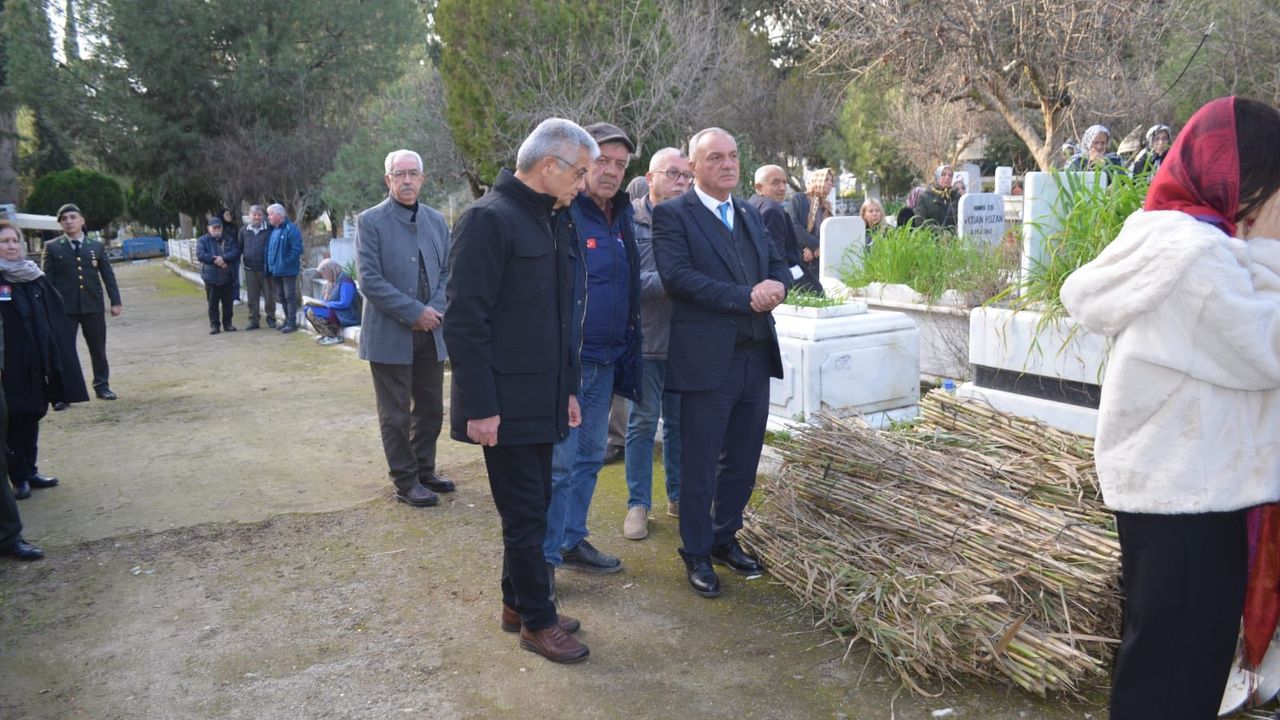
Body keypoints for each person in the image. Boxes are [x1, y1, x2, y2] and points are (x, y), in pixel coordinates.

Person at [1060, 96, 1280, 720]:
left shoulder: (1184, 240)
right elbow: (1268, 349)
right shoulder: (1196, 258)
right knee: (1175, 681)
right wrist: (1269, 246)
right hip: (1189, 499)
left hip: (1182, 493)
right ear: (1246, 178)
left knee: (1166, 664)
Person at [444, 117, 594, 663]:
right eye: (579, 172)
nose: (583, 184)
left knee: (537, 504)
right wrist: (481, 407)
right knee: (526, 513)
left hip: (544, 396)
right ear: (549, 166)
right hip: (503, 403)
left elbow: (561, 319)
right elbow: (465, 322)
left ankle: (517, 604)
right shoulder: (488, 219)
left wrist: (568, 391)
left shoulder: (553, 219)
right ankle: (537, 621)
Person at [653, 127, 791, 598]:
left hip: (755, 355)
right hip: (707, 360)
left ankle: (723, 537)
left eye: (733, 155)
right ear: (693, 166)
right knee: (699, 463)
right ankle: (695, 551)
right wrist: (745, 297)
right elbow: (677, 277)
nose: (728, 164)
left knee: (744, 459)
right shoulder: (674, 215)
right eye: (715, 158)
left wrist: (778, 286)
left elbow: (777, 262)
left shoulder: (749, 213)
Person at [543, 121, 641, 575]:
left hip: (607, 359)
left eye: (621, 164)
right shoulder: (563, 212)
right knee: (559, 464)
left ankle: (570, 539)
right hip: (570, 362)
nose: (613, 171)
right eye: (604, 161)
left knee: (589, 458)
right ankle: (544, 560)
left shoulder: (620, 216)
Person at [356, 149, 453, 508]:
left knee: (431, 409)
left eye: (413, 173)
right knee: (395, 414)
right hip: (390, 334)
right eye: (400, 174)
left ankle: (425, 470)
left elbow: (448, 272)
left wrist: (434, 310)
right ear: (388, 180)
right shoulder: (370, 221)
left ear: (423, 179)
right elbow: (369, 280)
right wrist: (414, 312)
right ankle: (405, 481)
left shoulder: (437, 221)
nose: (407, 180)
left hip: (432, 331)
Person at [622, 147, 690, 541]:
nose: (681, 182)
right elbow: (625, 278)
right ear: (650, 178)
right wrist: (672, 281)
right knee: (643, 424)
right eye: (672, 174)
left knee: (680, 425)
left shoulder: (693, 218)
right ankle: (638, 504)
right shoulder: (629, 220)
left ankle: (677, 496)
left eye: (686, 175)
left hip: (685, 341)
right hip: (646, 339)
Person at [0, 220, 89, 501]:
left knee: (34, 414)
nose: (11, 246)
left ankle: (31, 470)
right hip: (9, 365)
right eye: (4, 242)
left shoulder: (32, 276)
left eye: (14, 241)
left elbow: (53, 314)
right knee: (15, 418)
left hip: (37, 361)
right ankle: (18, 478)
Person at [42, 203, 122, 402]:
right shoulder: (52, 247)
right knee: (63, 350)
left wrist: (115, 301)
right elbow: (46, 282)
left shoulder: (96, 246)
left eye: (73, 217)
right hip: (64, 309)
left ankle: (102, 386)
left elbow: (108, 275)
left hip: (92, 306)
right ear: (60, 224)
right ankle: (63, 393)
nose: (69, 221)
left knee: (98, 349)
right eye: (64, 219)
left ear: (82, 221)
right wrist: (47, 307)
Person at [751, 164, 822, 295]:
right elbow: (777, 255)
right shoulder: (772, 209)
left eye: (784, 182)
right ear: (759, 188)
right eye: (775, 183)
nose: (783, 188)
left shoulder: (752, 204)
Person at [196, 215, 240, 334]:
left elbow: (235, 252)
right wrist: (216, 260)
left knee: (228, 303)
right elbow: (201, 255)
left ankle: (228, 324)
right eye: (214, 228)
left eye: (219, 228)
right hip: (211, 277)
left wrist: (224, 258)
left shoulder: (228, 239)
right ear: (209, 228)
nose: (217, 230)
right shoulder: (202, 240)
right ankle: (214, 325)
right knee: (213, 304)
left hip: (227, 276)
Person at [788, 168, 834, 278]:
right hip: (799, 255)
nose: (830, 183)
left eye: (831, 181)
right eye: (826, 179)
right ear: (817, 180)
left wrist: (814, 250)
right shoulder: (799, 199)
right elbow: (794, 225)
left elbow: (828, 232)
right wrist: (814, 245)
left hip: (818, 259)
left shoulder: (826, 206)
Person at [304, 258, 359, 346]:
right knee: (307, 309)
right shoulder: (330, 283)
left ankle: (332, 336)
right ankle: (325, 334)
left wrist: (326, 304)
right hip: (334, 311)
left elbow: (345, 303)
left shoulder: (346, 282)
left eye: (324, 273)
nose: (323, 276)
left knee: (312, 312)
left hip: (346, 315)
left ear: (331, 270)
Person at [265, 203, 303, 334]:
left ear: (279, 215)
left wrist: (285, 263)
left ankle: (292, 322)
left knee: (289, 296)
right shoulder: (274, 231)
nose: (268, 217)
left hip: (288, 270)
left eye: (270, 214)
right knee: (281, 296)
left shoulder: (290, 229)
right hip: (276, 271)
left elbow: (296, 249)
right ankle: (287, 320)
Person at [239, 205, 276, 330]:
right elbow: (240, 247)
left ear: (262, 216)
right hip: (250, 269)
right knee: (252, 297)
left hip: (266, 269)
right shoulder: (243, 231)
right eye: (254, 215)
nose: (257, 217)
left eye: (259, 215)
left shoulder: (269, 229)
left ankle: (271, 318)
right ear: (249, 216)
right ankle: (253, 320)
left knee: (269, 296)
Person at [913, 164, 960, 229]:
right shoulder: (924, 197)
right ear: (937, 177)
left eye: (950, 175)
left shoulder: (956, 197)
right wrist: (938, 231)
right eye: (943, 174)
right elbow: (920, 222)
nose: (947, 177)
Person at [219, 208, 242, 304]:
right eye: (227, 215)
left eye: (229, 214)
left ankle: (236, 297)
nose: (229, 217)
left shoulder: (234, 227)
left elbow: (238, 242)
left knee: (235, 277)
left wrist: (235, 253)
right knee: (224, 278)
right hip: (222, 257)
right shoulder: (220, 228)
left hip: (234, 256)